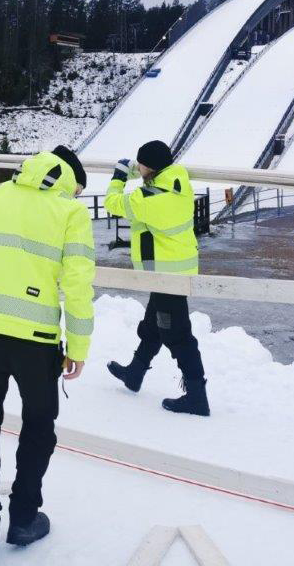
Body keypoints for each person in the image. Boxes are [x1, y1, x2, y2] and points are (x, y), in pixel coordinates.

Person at [0, 145, 96, 554]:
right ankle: (24, 519)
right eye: (77, 190)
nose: (76, 196)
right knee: (39, 427)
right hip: (36, 344)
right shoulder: (71, 212)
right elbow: (78, 285)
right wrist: (79, 344)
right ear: (70, 181)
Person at [103, 140, 210, 417]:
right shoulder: (177, 182)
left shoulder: (149, 199)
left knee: (177, 335)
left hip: (166, 275)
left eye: (140, 165)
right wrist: (140, 172)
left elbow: (112, 203)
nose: (138, 168)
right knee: (153, 324)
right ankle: (135, 373)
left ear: (149, 168)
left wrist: (119, 177)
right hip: (172, 269)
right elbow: (150, 182)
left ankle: (197, 397)